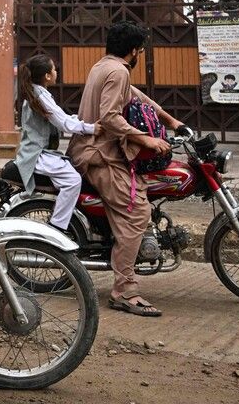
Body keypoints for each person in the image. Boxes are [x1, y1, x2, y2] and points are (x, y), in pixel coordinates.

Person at [70, 21, 185, 317]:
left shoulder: (104, 66)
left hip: (102, 151)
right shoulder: (118, 71)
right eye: (141, 51)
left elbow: (138, 98)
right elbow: (109, 117)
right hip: (100, 155)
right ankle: (124, 291)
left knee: (142, 199)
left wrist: (171, 122)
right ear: (134, 51)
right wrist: (147, 138)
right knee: (136, 214)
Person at [16, 54, 98, 231]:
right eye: (54, 69)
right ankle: (57, 227)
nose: (56, 72)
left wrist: (83, 122)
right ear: (47, 75)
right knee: (73, 180)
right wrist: (93, 128)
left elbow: (63, 118)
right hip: (36, 155)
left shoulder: (39, 92)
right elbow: (64, 123)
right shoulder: (39, 95)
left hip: (40, 153)